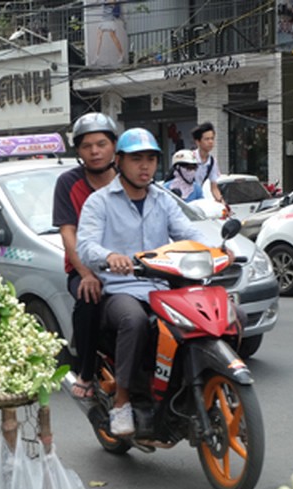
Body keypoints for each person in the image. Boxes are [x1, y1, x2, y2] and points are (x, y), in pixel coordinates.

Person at [76, 127, 202, 437]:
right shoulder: (99, 202)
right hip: (119, 291)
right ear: (119, 161)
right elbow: (86, 246)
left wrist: (216, 249)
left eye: (150, 159)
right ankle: (122, 402)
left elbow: (188, 232)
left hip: (162, 289)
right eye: (136, 159)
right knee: (133, 321)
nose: (144, 166)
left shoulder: (163, 199)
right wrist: (110, 256)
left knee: (218, 315)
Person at [54, 112, 119, 399]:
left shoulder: (129, 178)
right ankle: (86, 370)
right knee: (89, 298)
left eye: (101, 144)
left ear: (114, 146)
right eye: (87, 146)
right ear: (79, 152)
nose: (95, 151)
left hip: (126, 268)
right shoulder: (68, 183)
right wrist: (86, 274)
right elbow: (69, 233)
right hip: (84, 268)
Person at [190, 121, 226, 204]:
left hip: (197, 199)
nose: (210, 142)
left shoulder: (212, 161)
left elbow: (214, 188)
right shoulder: (190, 158)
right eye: (207, 139)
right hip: (184, 199)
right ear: (198, 142)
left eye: (212, 138)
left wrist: (223, 204)